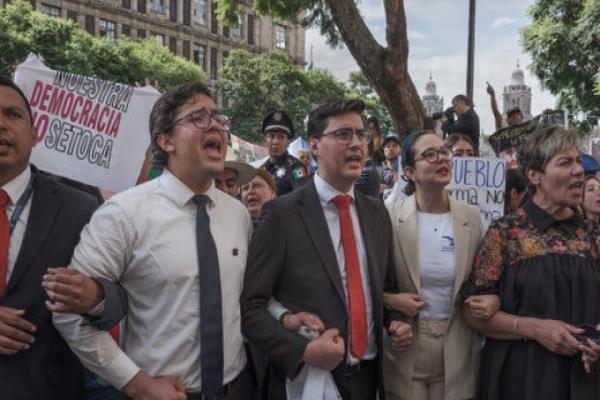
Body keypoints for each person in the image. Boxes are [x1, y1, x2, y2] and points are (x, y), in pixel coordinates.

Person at [53, 83, 255, 400]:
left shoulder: (239, 215)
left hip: (239, 389)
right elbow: (68, 314)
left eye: (217, 117)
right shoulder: (122, 214)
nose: (215, 124)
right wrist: (137, 383)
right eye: (199, 117)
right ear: (166, 140)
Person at [241, 99, 412, 400]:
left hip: (369, 378)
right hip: (308, 381)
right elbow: (251, 310)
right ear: (315, 146)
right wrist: (304, 350)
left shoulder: (376, 213)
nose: (357, 144)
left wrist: (394, 319)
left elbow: (384, 289)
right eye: (344, 134)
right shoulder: (281, 214)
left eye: (361, 135)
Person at [460, 125, 600, 400]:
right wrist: (535, 329)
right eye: (565, 162)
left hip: (585, 377)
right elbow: (471, 314)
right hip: (520, 378)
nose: (578, 170)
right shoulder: (505, 232)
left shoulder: (593, 234)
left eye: (577, 161)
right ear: (535, 175)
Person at [0, 76, 100, 399]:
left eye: (12, 115)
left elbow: (118, 298)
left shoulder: (79, 207)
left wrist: (94, 294)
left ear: (35, 133)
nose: (1, 124)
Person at [383, 131, 489, 400]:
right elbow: (368, 281)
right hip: (406, 345)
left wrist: (489, 300)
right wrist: (392, 301)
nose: (442, 159)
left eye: (444, 151)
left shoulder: (472, 217)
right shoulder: (389, 216)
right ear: (409, 171)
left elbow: (487, 278)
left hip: (457, 344)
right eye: (430, 155)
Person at [260, 110, 308, 196]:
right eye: (271, 136)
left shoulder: (296, 168)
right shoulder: (261, 170)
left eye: (281, 137)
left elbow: (302, 197)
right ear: (265, 141)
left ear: (288, 142)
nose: (275, 141)